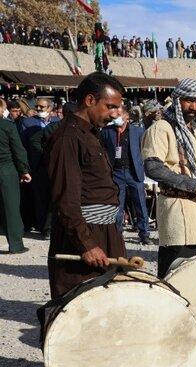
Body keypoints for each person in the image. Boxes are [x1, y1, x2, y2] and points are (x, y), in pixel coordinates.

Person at [46, 72, 126, 299]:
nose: (115, 114)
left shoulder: (91, 134)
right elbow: (66, 198)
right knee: (81, 305)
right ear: (90, 100)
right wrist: (87, 244)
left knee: (112, 300)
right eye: (110, 106)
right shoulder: (67, 138)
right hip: (83, 237)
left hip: (106, 231)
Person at [142, 78, 196, 277]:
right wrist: (193, 185)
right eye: (188, 100)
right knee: (179, 275)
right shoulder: (162, 128)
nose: (194, 106)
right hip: (181, 213)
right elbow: (153, 168)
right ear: (177, 100)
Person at [101, 108, 151, 244]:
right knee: (117, 205)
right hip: (115, 172)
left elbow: (145, 150)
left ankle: (144, 233)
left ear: (127, 116)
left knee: (140, 204)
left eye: (119, 114)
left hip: (133, 172)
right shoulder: (107, 132)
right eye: (114, 115)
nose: (116, 117)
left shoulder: (138, 131)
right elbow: (102, 151)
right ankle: (117, 234)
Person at [21, 98, 60, 237]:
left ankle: (51, 226)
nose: (38, 109)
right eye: (37, 107)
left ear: (50, 108)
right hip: (37, 165)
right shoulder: (28, 122)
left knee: (54, 197)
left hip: (55, 165)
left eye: (42, 107)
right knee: (40, 197)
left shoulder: (58, 122)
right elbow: (23, 145)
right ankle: (43, 227)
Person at [0, 114, 31, 253]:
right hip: (5, 169)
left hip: (5, 167)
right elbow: (18, 149)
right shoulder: (7, 126)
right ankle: (16, 245)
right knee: (11, 208)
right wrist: (24, 170)